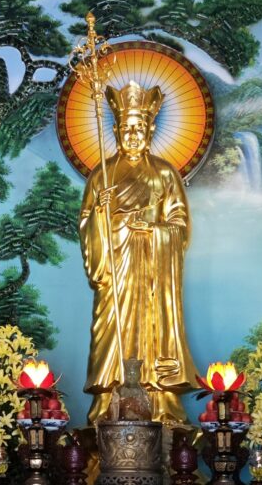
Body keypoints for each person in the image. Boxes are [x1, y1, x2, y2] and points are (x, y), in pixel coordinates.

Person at [79, 80, 198, 424]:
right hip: (115, 272)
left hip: (151, 274)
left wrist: (154, 231)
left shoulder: (164, 173)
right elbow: (86, 224)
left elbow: (180, 225)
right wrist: (102, 216)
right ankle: (107, 401)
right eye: (127, 128)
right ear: (115, 129)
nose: (133, 134)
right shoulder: (102, 174)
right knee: (108, 331)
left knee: (154, 329)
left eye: (140, 128)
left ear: (151, 129)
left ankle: (160, 403)